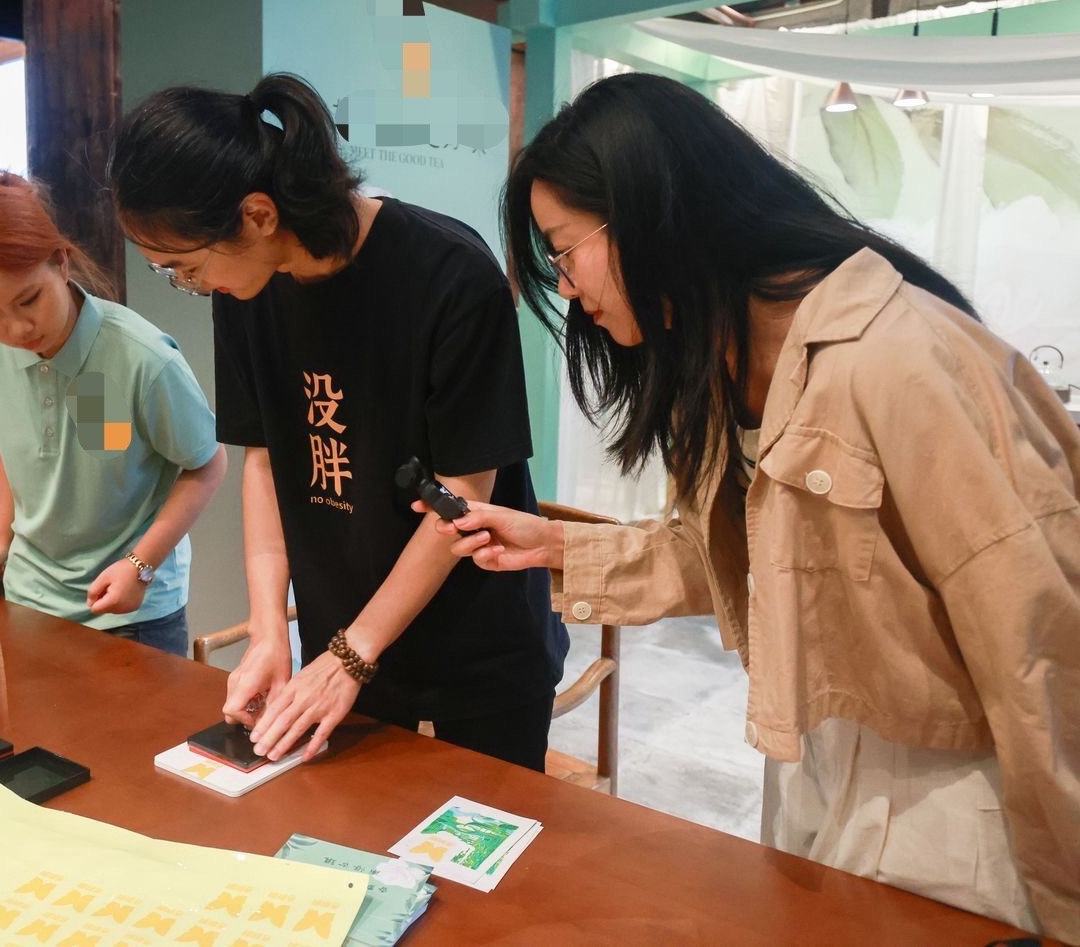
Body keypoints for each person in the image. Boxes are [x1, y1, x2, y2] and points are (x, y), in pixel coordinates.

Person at [425, 72, 1079, 938]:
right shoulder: (717, 367)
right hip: (813, 762)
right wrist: (556, 546)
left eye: (564, 250)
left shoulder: (903, 358)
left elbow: (1038, 647)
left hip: (954, 803)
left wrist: (1066, 900)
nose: (566, 286)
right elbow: (739, 555)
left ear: (651, 214)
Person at [107, 73, 568, 770]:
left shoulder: (448, 273)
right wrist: (270, 630)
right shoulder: (245, 291)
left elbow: (464, 491)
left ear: (258, 215)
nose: (188, 285)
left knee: (487, 836)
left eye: (184, 267)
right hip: (344, 645)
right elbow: (265, 460)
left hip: (476, 643)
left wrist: (353, 652)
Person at [0, 172, 226, 656]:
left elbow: (207, 465)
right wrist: (2, 536)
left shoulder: (137, 356)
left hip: (130, 613)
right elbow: (10, 441)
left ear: (61, 263)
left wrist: (140, 565)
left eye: (29, 299)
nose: (17, 329)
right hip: (29, 602)